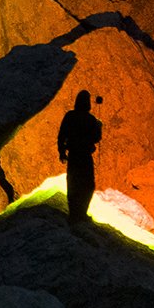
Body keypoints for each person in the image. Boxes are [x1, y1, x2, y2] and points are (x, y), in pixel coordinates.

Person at [55, 89, 103, 222]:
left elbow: (61, 135)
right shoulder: (91, 119)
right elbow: (96, 138)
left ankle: (74, 213)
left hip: (74, 155)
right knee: (88, 185)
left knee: (73, 184)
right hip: (85, 156)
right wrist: (99, 127)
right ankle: (81, 213)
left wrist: (62, 152)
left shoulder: (70, 116)